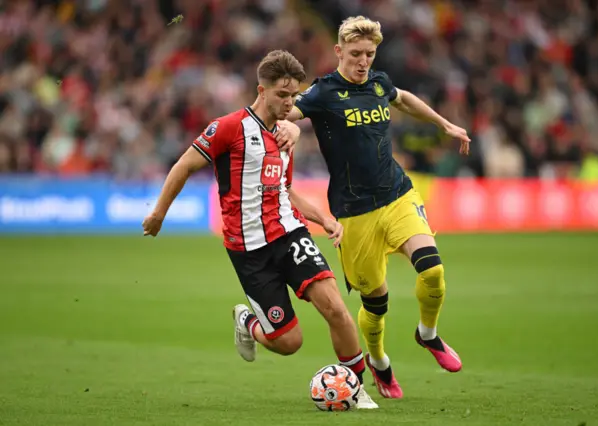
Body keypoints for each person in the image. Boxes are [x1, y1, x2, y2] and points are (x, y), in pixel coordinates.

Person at [142, 50, 378, 409]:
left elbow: (284, 189)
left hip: (289, 234)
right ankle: (248, 322)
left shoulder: (285, 137)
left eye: (294, 96)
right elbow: (184, 165)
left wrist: (323, 218)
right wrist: (158, 213)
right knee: (289, 343)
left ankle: (355, 388)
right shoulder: (228, 128)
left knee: (335, 307)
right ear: (261, 90)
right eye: (282, 95)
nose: (289, 103)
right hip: (249, 251)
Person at [283, 17, 471, 399]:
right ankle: (379, 361)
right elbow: (286, 112)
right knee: (376, 302)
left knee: (432, 269)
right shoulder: (322, 93)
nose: (363, 61)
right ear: (338, 52)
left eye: (369, 54)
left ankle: (428, 334)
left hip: (398, 194)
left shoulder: (378, 82)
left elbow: (403, 98)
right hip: (354, 214)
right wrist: (286, 125)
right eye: (355, 54)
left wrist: (444, 124)